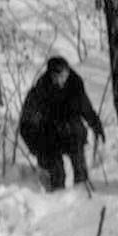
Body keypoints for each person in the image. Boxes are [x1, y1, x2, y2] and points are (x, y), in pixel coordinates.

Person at [19, 56, 105, 191]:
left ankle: (83, 193)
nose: (62, 80)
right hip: (49, 138)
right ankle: (58, 198)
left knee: (80, 166)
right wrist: (36, 148)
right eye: (58, 76)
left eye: (64, 75)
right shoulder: (39, 93)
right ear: (51, 75)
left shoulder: (75, 86)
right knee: (57, 174)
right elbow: (26, 124)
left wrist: (96, 125)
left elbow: (86, 109)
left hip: (71, 134)